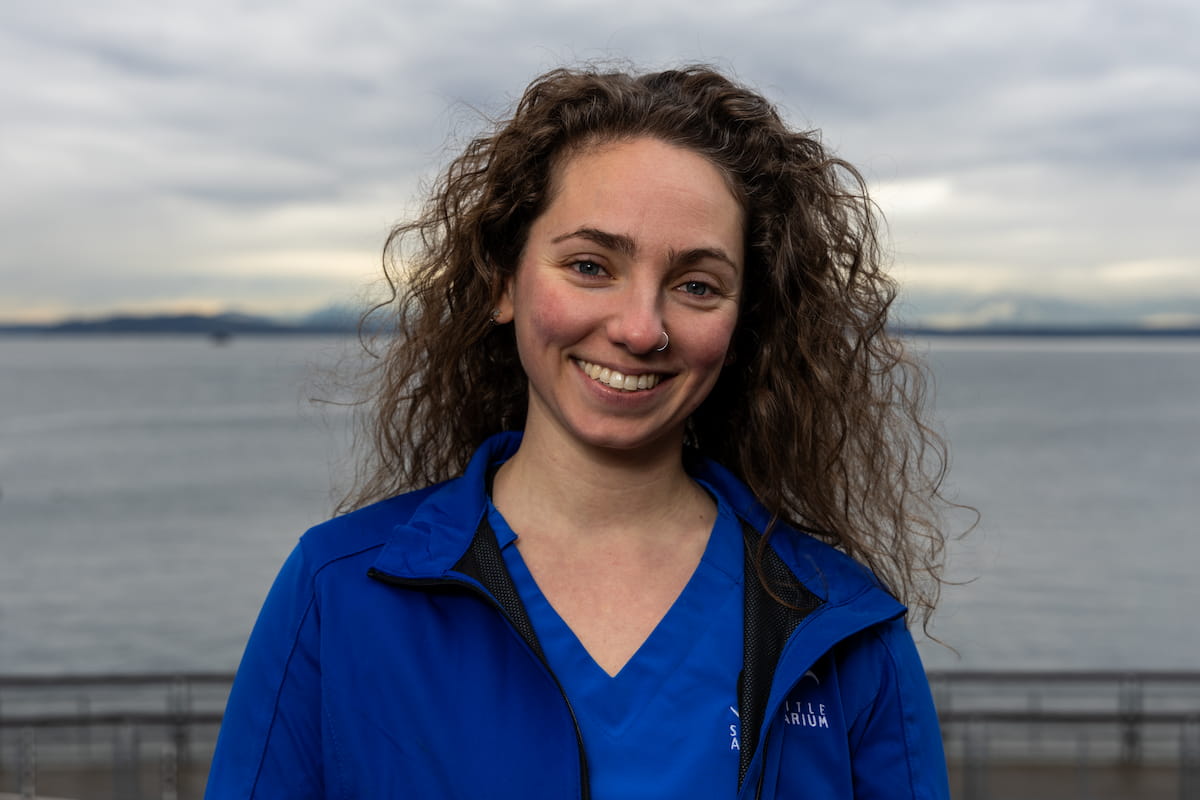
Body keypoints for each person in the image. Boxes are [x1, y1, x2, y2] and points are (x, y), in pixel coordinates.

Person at [205, 64, 955, 799]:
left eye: (697, 285)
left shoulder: (844, 628)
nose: (640, 328)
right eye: (591, 265)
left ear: (743, 322)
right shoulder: (339, 595)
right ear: (504, 281)